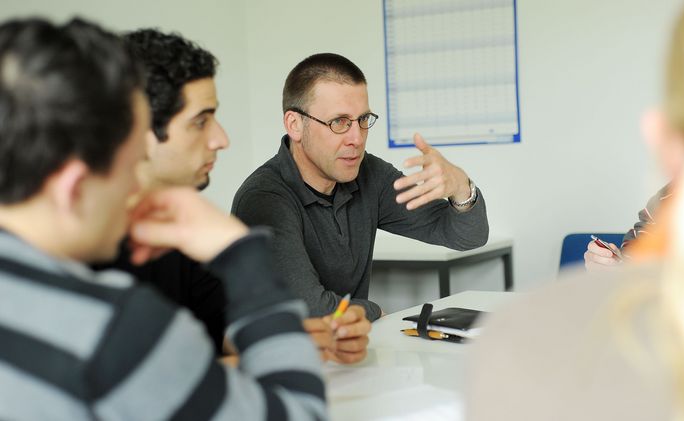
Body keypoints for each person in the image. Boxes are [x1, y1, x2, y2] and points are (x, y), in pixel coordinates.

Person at [0, 18, 325, 420]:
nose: (133, 180)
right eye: (129, 160)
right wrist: (243, 257)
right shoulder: (112, 325)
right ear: (74, 187)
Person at [468, 0, 684, 420]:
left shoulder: (519, 346)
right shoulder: (669, 202)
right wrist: (618, 268)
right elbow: (638, 248)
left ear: (662, 133)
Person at [98, 29, 370, 364]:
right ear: (135, 131)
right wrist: (274, 353)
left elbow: (219, 329)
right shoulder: (84, 249)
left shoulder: (179, 225)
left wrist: (304, 337)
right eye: (200, 122)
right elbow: (143, 383)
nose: (221, 139)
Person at [232, 53, 490, 320]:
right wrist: (374, 310)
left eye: (363, 120)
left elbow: (468, 237)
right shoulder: (263, 198)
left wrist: (460, 186)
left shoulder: (369, 174)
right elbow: (312, 311)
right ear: (295, 125)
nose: (356, 138)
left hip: (349, 352)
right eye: (339, 122)